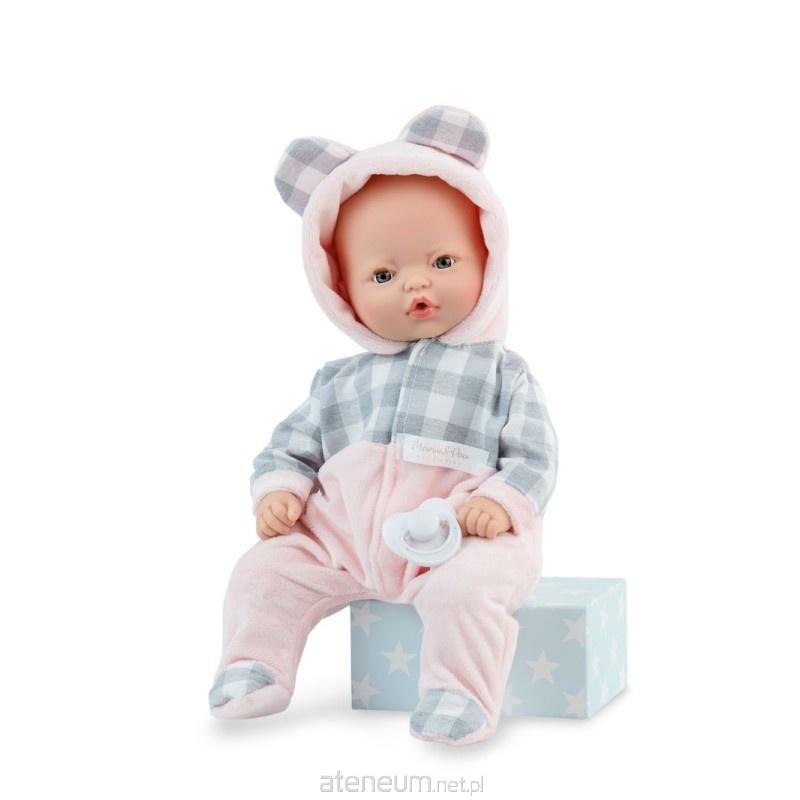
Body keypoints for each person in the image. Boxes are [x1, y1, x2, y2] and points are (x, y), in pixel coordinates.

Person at [208, 106, 558, 745]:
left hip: (460, 534)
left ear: (489, 257)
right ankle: (253, 666)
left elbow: (534, 458)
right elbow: (288, 448)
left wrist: (499, 503)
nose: (415, 284)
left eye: (443, 262)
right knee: (262, 572)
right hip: (342, 541)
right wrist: (280, 490)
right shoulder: (339, 380)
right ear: (340, 290)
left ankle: (459, 694)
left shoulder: (501, 372)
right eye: (383, 275)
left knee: (465, 593)